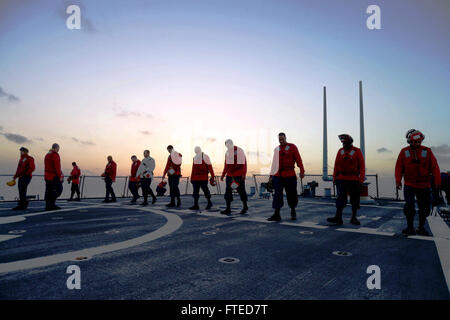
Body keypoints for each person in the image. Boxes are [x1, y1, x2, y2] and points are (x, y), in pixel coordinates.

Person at [395, 129, 441, 236]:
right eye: (413, 142)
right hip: (409, 185)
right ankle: (410, 227)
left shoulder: (427, 151)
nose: (415, 144)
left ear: (421, 141)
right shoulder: (404, 152)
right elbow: (398, 167)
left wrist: (437, 182)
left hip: (424, 185)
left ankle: (421, 227)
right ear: (409, 141)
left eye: (418, 142)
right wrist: (398, 181)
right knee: (409, 206)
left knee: (424, 208)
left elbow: (435, 167)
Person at [326, 134, 365, 226]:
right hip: (341, 179)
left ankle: (353, 218)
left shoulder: (357, 151)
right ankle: (338, 217)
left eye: (345, 143)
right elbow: (336, 165)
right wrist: (334, 178)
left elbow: (362, 166)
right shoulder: (340, 151)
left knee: (355, 199)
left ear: (350, 143)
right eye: (343, 143)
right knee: (340, 198)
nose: (344, 145)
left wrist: (361, 180)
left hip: (354, 179)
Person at [267, 133, 305, 221]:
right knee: (277, 195)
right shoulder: (276, 149)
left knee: (291, 194)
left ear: (285, 138)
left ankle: (293, 210)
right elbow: (274, 164)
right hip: (278, 175)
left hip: (290, 175)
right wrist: (271, 176)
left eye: (282, 138)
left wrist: (302, 171)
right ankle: (277, 214)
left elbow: (298, 159)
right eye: (279, 138)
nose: (281, 140)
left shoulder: (292, 147)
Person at [220, 139, 248, 215]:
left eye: (229, 144)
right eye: (227, 145)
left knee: (241, 190)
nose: (228, 146)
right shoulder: (227, 153)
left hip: (238, 175)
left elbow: (244, 163)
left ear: (232, 143)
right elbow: (226, 165)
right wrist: (223, 175)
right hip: (230, 175)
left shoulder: (239, 150)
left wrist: (243, 174)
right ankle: (228, 208)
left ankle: (245, 206)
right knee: (228, 191)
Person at [189, 146, 216, 210]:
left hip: (203, 178)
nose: (196, 152)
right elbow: (193, 168)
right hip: (195, 178)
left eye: (197, 150)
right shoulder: (194, 158)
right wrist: (192, 178)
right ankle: (196, 205)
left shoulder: (205, 157)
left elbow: (210, 166)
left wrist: (213, 176)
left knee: (206, 190)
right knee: (195, 192)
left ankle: (209, 202)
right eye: (196, 151)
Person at [44, 143, 63, 211]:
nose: (58, 150)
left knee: (48, 190)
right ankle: (52, 204)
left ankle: (48, 205)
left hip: (47, 176)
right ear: (57, 148)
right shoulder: (55, 155)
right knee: (57, 190)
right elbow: (57, 167)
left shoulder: (47, 155)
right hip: (53, 176)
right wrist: (60, 176)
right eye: (58, 149)